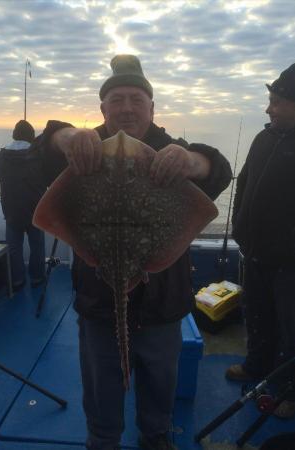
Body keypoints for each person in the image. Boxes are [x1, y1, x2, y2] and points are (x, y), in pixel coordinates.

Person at [32, 55, 232, 450]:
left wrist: (191, 161)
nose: (126, 108)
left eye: (136, 99)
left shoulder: (168, 151)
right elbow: (42, 149)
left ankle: (155, 436)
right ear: (102, 109)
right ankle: (103, 438)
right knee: (100, 381)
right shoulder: (84, 150)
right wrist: (67, 137)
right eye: (117, 99)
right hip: (98, 298)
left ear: (152, 108)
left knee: (160, 378)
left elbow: (219, 169)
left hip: (162, 302)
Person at [226, 63, 295, 419]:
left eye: (276, 102)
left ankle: (290, 392)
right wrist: (238, 225)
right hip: (254, 251)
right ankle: (256, 366)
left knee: (291, 328)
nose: (269, 109)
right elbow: (244, 182)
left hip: (289, 262)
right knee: (257, 314)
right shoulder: (263, 137)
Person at [0, 120, 46, 291]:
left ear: (14, 134)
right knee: (37, 245)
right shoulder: (38, 155)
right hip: (35, 210)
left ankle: (17, 280)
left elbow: (2, 178)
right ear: (31, 136)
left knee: (14, 248)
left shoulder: (1, 157)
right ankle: (37, 278)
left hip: (11, 210)